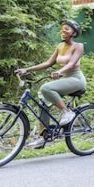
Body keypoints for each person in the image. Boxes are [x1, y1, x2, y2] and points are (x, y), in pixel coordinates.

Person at [15, 19, 86, 149]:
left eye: (67, 29)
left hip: (76, 80)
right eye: (62, 28)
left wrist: (59, 71)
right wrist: (27, 69)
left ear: (74, 33)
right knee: (43, 103)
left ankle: (67, 112)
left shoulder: (78, 46)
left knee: (45, 88)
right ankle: (44, 137)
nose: (63, 31)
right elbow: (47, 63)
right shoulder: (60, 46)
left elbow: (71, 63)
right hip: (64, 80)